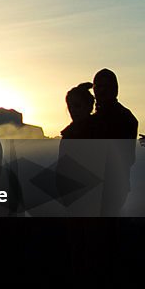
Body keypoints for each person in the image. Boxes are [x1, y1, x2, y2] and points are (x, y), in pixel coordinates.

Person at [91, 69, 138, 216]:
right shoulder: (94, 118)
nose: (101, 91)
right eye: (97, 86)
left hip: (110, 187)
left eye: (105, 86)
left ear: (114, 89)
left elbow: (126, 158)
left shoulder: (124, 118)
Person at [57, 82, 105, 215]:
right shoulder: (67, 136)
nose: (73, 111)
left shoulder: (98, 131)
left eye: (77, 106)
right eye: (71, 106)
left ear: (88, 106)